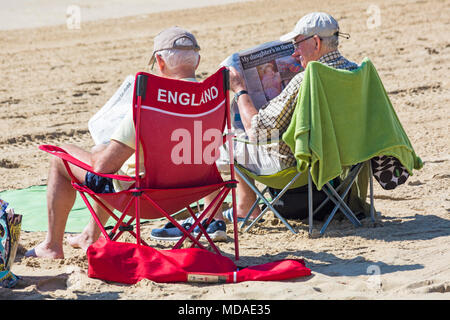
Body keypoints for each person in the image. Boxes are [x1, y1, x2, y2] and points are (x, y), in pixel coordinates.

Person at [25, 26, 209, 259]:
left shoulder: (151, 104)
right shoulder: (213, 99)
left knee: (60, 157)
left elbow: (103, 168)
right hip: (191, 191)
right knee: (103, 148)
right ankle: (90, 236)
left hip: (144, 197)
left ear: (160, 62)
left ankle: (51, 246)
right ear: (198, 61)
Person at [208, 12, 359, 223]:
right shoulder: (357, 73)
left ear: (316, 42)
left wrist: (240, 90)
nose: (295, 54)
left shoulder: (305, 81)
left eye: (297, 45)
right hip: (345, 161)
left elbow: (258, 132)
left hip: (297, 167)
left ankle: (245, 207)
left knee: (217, 139)